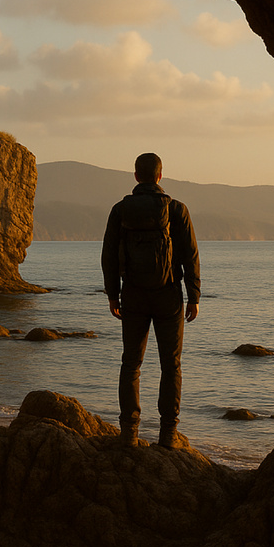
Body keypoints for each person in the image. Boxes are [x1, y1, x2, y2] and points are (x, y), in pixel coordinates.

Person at [101, 152, 201, 448]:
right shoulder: (176, 210)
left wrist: (112, 294)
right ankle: (168, 435)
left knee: (131, 364)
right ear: (160, 176)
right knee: (171, 365)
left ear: (136, 176)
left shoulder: (121, 210)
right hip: (169, 295)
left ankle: (129, 432)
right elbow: (191, 255)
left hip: (132, 293)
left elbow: (108, 256)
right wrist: (193, 295)